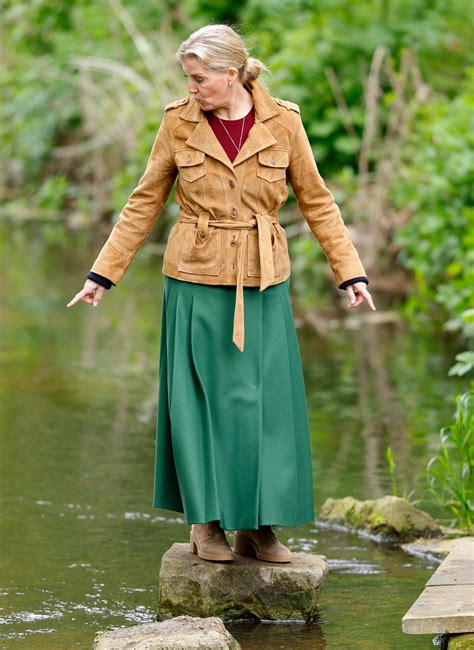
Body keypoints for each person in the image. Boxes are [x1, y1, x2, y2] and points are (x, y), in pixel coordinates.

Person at [67, 24, 376, 564]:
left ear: (230, 74)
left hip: (264, 279)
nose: (192, 88)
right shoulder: (177, 123)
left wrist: (350, 272)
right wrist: (102, 275)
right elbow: (144, 201)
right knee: (200, 406)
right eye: (188, 79)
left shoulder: (284, 122)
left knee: (264, 406)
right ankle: (205, 524)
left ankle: (258, 528)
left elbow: (317, 200)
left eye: (199, 79)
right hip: (194, 279)